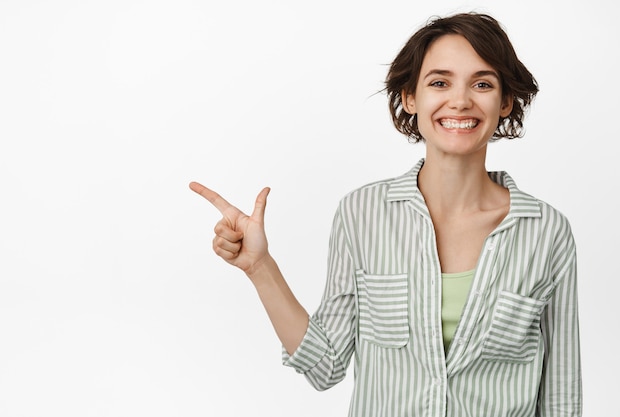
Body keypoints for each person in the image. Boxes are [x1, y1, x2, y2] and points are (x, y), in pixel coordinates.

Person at [189, 12, 581, 417]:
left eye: (482, 84)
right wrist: (259, 267)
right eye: (439, 82)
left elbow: (561, 394)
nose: (461, 100)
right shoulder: (361, 214)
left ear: (505, 102)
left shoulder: (546, 231)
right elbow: (325, 367)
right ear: (411, 97)